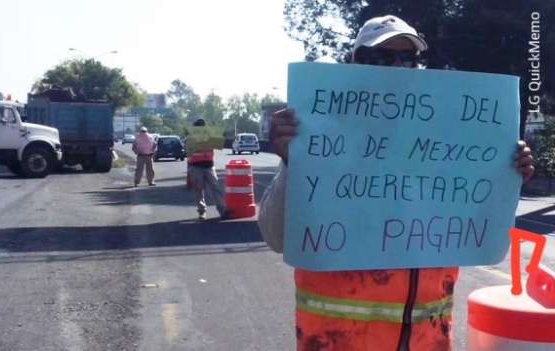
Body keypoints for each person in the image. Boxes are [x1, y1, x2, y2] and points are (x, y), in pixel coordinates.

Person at [258, 15, 535, 351]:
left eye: (409, 58)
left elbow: (479, 226)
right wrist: (291, 162)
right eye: (381, 57)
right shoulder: (319, 136)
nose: (398, 67)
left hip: (427, 343)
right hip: (338, 343)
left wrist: (505, 174)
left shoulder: (448, 143)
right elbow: (275, 237)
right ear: (355, 63)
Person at [187, 118, 231, 220]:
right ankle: (201, 211)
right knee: (199, 190)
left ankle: (222, 210)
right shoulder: (191, 138)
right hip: (196, 166)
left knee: (216, 188)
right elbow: (189, 150)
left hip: (209, 166)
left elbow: (220, 143)